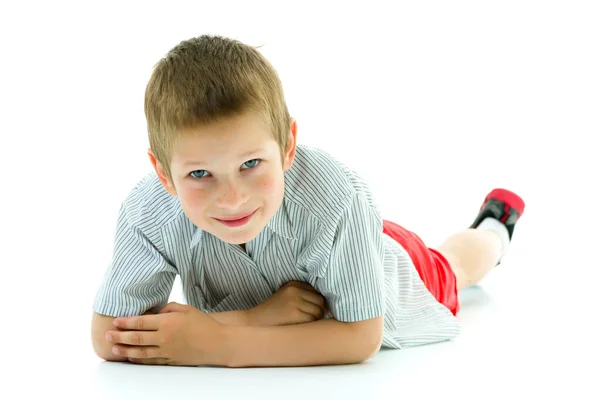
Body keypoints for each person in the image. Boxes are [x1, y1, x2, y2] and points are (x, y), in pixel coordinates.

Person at [91, 35, 525, 368]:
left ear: (287, 146)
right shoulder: (147, 213)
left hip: (386, 259)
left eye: (251, 164)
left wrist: (221, 342)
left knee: (454, 265)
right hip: (323, 241)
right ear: (164, 173)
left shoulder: (338, 201)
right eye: (200, 174)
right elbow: (108, 335)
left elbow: (360, 337)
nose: (232, 198)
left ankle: (494, 228)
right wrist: (255, 319)